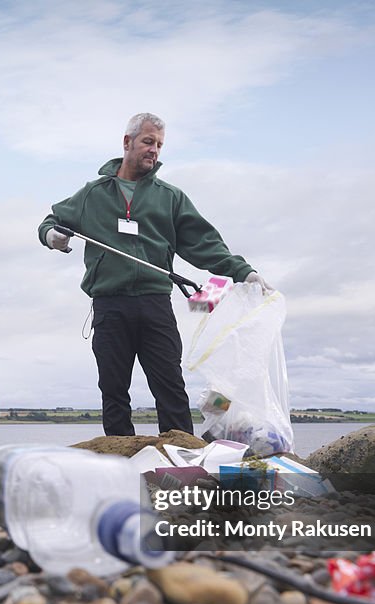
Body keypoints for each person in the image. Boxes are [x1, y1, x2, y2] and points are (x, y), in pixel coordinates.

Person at [38, 112, 272, 437]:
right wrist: (52, 238)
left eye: (160, 145)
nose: (154, 150)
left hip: (155, 304)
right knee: (114, 391)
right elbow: (50, 221)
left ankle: (183, 465)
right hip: (109, 306)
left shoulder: (170, 198)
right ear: (127, 142)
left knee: (171, 389)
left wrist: (244, 272)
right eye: (148, 141)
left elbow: (205, 244)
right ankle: (120, 464)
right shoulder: (93, 194)